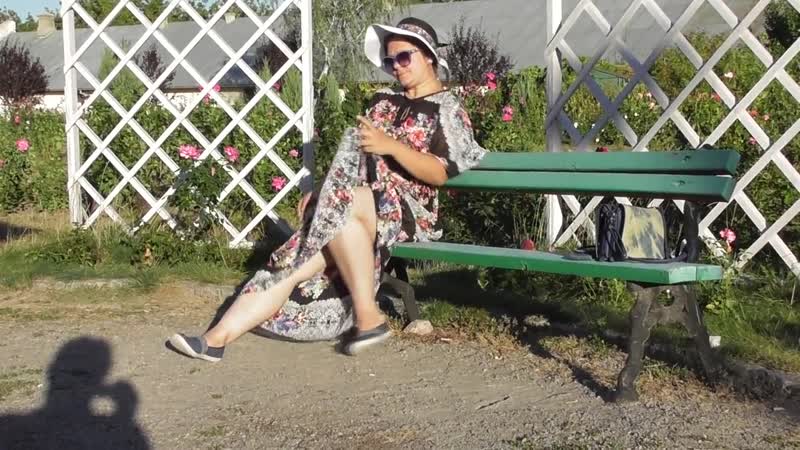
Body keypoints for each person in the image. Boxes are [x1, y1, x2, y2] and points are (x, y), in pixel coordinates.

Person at [168, 17, 486, 360]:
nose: (396, 66)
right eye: (390, 60)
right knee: (293, 259)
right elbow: (353, 157)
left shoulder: (447, 108)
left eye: (404, 57)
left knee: (341, 207)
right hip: (355, 203)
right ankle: (215, 339)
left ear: (429, 56)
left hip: (406, 209)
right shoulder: (383, 101)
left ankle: (368, 316)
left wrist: (391, 147)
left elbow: (440, 173)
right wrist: (325, 189)